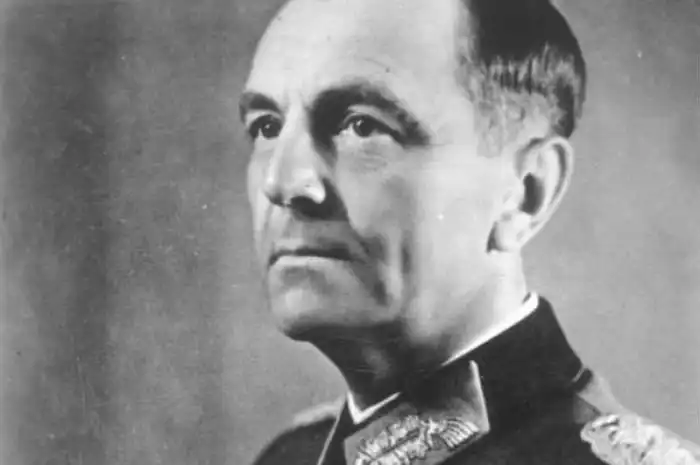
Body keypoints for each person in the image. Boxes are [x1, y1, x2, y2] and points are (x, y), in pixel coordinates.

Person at [239, 0, 700, 463]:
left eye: (362, 125)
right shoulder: (292, 456)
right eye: (266, 127)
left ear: (525, 192)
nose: (281, 182)